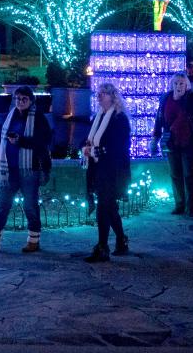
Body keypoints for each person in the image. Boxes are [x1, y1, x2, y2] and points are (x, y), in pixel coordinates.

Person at [0, 86, 52, 253]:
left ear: (31, 101)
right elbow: (1, 143)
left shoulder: (39, 119)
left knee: (30, 205)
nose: (20, 102)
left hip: (29, 170)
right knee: (1, 204)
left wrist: (21, 141)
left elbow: (43, 143)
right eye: (17, 98)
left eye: (24, 99)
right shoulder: (10, 116)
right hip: (8, 169)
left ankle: (33, 240)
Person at [82, 83, 131, 263]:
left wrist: (94, 151)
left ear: (113, 96)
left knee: (104, 206)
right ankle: (121, 239)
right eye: (98, 93)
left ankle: (102, 247)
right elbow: (90, 138)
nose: (99, 96)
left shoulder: (120, 119)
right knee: (109, 206)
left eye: (103, 94)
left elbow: (118, 147)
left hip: (113, 170)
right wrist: (85, 147)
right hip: (98, 168)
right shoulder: (98, 116)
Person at [151, 72, 193, 217]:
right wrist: (155, 137)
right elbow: (159, 119)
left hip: (189, 143)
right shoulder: (165, 99)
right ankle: (179, 204)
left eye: (181, 83)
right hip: (171, 143)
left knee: (189, 175)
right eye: (176, 83)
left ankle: (191, 207)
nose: (178, 86)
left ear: (187, 85)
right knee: (175, 174)